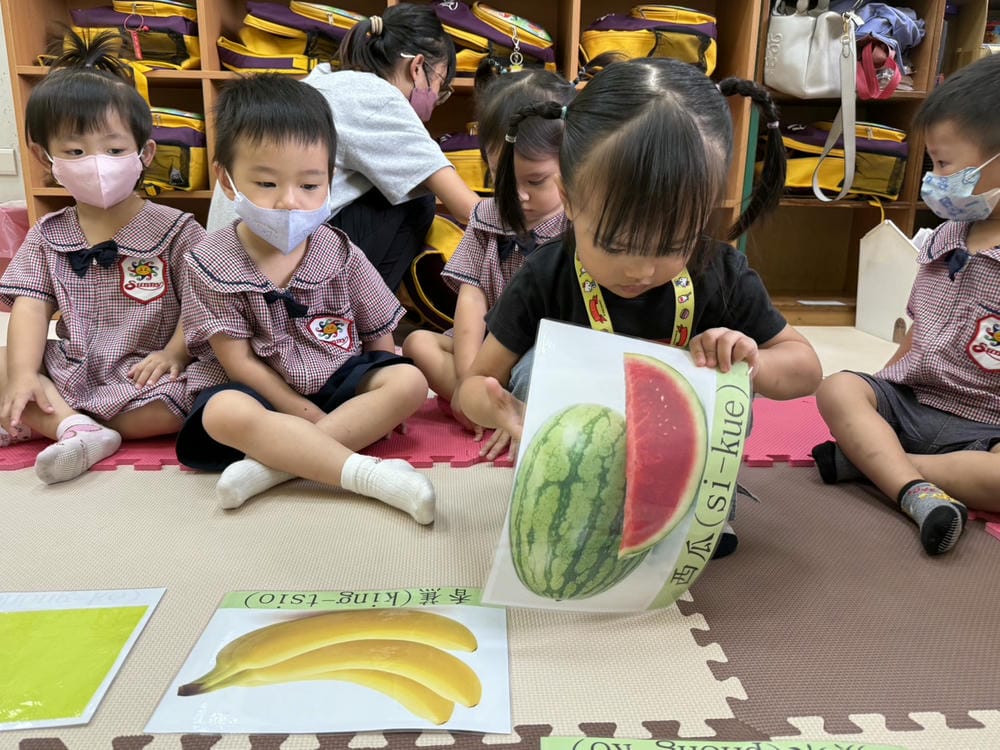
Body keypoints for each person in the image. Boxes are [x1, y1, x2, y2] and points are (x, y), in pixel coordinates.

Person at [455, 58, 823, 552]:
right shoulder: (546, 276)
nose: (641, 270)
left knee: (728, 379)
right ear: (569, 198)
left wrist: (751, 360)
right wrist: (493, 405)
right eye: (616, 243)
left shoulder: (720, 272)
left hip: (684, 474)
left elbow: (806, 369)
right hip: (575, 478)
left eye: (672, 244)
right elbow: (473, 386)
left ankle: (700, 512)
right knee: (533, 365)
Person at [175, 74, 435, 524]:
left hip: (334, 377)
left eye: (310, 186)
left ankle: (271, 469)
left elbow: (378, 331)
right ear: (227, 180)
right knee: (222, 413)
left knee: (409, 380)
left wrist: (384, 383)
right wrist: (307, 416)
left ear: (329, 180)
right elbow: (239, 363)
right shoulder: (208, 260)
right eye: (266, 183)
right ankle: (367, 475)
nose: (289, 202)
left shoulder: (340, 250)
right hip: (260, 393)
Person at [812, 54, 1000, 556]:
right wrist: (882, 385)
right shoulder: (945, 237)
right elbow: (920, 328)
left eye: (944, 165)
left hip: (986, 426)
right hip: (912, 402)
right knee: (839, 388)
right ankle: (907, 481)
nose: (934, 178)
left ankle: (878, 466)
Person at [0, 32, 206, 484]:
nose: (97, 163)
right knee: (5, 366)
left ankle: (59, 422)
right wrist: (22, 374)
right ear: (44, 157)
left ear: (144, 153)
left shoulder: (177, 229)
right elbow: (30, 307)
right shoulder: (48, 234)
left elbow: (202, 303)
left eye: (114, 150)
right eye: (75, 151)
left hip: (148, 374)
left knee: (195, 397)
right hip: (73, 367)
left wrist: (174, 352)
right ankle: (76, 427)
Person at [206, 5, 481, 292]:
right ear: (417, 67)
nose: (436, 101)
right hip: (273, 268)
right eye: (440, 86)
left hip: (224, 262)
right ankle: (365, 310)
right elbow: (468, 210)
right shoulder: (379, 97)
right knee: (418, 198)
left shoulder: (323, 78)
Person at [403, 68, 575, 461]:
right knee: (417, 343)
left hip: (542, 354)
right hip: (489, 350)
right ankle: (492, 412)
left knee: (535, 371)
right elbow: (471, 300)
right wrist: (470, 385)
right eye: (501, 178)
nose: (519, 196)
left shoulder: (576, 227)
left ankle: (514, 414)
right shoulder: (486, 216)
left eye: (536, 181)